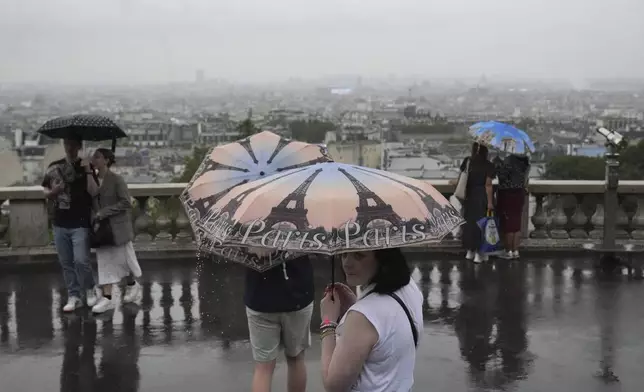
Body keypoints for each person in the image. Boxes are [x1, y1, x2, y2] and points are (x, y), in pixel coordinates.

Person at [319, 248, 423, 392]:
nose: (347, 263)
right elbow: (383, 337)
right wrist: (356, 305)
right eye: (343, 254)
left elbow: (333, 386)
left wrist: (327, 321)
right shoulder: (409, 287)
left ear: (382, 258)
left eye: (359, 255)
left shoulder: (363, 317)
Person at [42, 137, 99, 312]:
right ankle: (74, 295)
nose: (69, 148)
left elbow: (94, 191)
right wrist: (54, 191)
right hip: (60, 221)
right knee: (66, 262)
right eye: (67, 144)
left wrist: (89, 170)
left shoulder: (85, 167)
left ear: (79, 147)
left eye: (73, 145)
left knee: (81, 261)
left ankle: (89, 289)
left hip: (80, 221)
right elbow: (45, 191)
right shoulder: (55, 166)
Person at [244, 250, 314, 392]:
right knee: (296, 358)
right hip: (298, 295)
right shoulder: (299, 227)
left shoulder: (248, 227)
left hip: (259, 296)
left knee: (263, 368)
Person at [90, 148, 143, 313]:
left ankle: (132, 284)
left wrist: (103, 212)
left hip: (117, 228)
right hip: (101, 228)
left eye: (97, 157)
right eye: (94, 157)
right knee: (104, 261)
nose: (94, 160)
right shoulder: (92, 180)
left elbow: (126, 202)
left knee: (123, 261)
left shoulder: (116, 179)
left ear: (106, 160)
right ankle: (107, 297)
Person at [459, 142, 496, 264]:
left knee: (469, 224)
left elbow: (462, 178)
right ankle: (479, 253)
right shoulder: (488, 165)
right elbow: (488, 185)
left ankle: (470, 251)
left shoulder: (467, 161)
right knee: (481, 225)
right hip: (481, 197)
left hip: (469, 196)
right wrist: (490, 202)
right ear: (486, 152)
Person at [494, 153, 530, 259]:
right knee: (516, 224)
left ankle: (508, 251)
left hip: (508, 194)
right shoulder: (525, 163)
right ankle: (516, 251)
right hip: (519, 194)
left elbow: (502, 177)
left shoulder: (509, 161)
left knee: (509, 224)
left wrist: (497, 164)